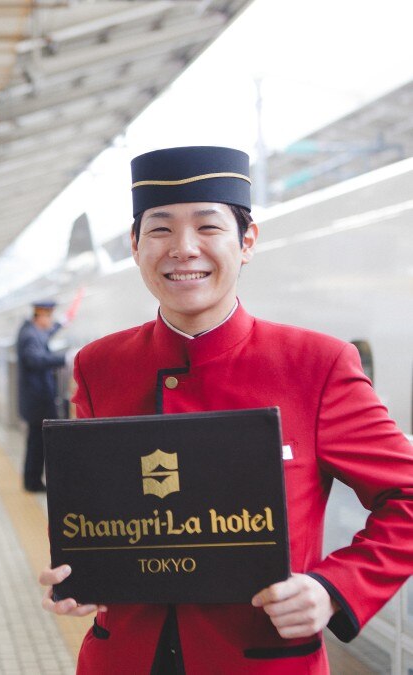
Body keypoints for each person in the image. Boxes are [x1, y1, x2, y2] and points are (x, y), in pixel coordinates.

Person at [39, 145, 413, 673]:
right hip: (122, 657)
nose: (183, 248)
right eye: (161, 229)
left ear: (247, 242)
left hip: (261, 660)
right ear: (135, 245)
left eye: (208, 228)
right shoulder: (100, 365)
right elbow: (92, 504)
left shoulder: (316, 365)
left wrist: (333, 589)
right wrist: (78, 576)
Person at [16, 301, 66, 492]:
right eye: (50, 317)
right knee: (36, 442)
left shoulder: (32, 330)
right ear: (41, 316)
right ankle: (32, 482)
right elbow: (35, 359)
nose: (51, 322)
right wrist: (65, 358)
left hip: (35, 398)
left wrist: (61, 324)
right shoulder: (29, 335)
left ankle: (33, 479)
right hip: (36, 398)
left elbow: (47, 335)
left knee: (35, 440)